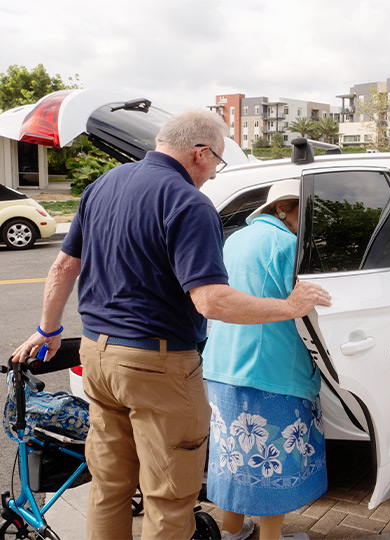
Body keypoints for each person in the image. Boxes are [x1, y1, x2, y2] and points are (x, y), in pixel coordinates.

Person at [11, 110, 331, 540]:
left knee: (109, 486)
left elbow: (64, 266)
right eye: (216, 161)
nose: (214, 173)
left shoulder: (103, 185)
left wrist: (48, 330)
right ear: (200, 153)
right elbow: (212, 301)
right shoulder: (189, 203)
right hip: (157, 366)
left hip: (97, 358)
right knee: (169, 496)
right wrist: (289, 306)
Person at [202, 180, 323, 540]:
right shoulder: (288, 245)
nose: (307, 220)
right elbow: (304, 307)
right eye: (302, 211)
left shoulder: (235, 239)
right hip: (272, 367)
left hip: (223, 363)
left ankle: (232, 531)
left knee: (234, 457)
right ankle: (271, 538)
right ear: (282, 209)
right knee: (274, 461)